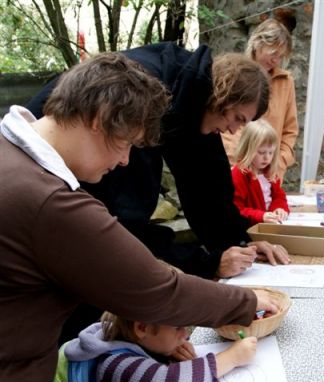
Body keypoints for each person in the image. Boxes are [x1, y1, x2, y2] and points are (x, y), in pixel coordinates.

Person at [0, 53, 280, 382]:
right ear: (99, 120)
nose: (126, 162)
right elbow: (155, 289)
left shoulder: (12, 159)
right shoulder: (51, 203)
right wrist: (246, 302)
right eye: (127, 144)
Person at [27, 44, 291, 344]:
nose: (233, 132)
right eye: (238, 119)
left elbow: (207, 184)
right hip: (51, 200)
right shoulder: (144, 98)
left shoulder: (190, 98)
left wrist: (240, 241)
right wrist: (209, 268)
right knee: (80, 303)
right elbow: (125, 236)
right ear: (223, 96)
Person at [60, 312, 259, 382]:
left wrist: (168, 350)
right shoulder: (116, 367)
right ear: (142, 328)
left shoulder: (130, 334)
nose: (185, 335)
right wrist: (232, 357)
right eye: (178, 328)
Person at [222, 18, 299, 179]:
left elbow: (290, 131)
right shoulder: (234, 75)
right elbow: (225, 125)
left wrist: (279, 162)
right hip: (236, 169)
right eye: (273, 53)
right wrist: (243, 159)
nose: (276, 60)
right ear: (257, 44)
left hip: (271, 174)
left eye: (281, 56)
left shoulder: (286, 82)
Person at [232, 119, 291, 226]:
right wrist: (261, 216)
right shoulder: (239, 174)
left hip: (270, 225)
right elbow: (236, 209)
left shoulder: (269, 172)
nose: (267, 157)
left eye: (271, 152)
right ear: (247, 149)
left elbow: (279, 196)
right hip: (251, 229)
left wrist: (279, 208)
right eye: (261, 152)